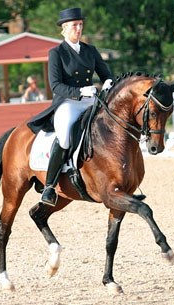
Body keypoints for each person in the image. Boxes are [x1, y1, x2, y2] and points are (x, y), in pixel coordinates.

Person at [30, 7, 113, 207]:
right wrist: (80, 92)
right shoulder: (57, 53)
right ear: (64, 29)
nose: (78, 29)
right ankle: (49, 186)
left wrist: (109, 82)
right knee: (66, 136)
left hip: (91, 101)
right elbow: (55, 85)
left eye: (80, 25)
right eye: (74, 25)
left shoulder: (90, 50)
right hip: (68, 103)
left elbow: (106, 73)